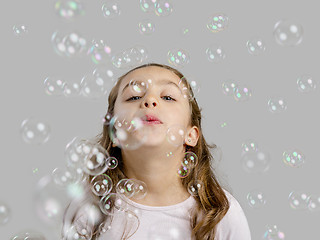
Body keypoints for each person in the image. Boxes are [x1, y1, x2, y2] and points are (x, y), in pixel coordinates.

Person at [61, 63, 252, 240]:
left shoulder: (220, 212)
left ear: (191, 135)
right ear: (115, 133)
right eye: (134, 97)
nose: (150, 100)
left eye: (168, 97)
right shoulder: (90, 208)